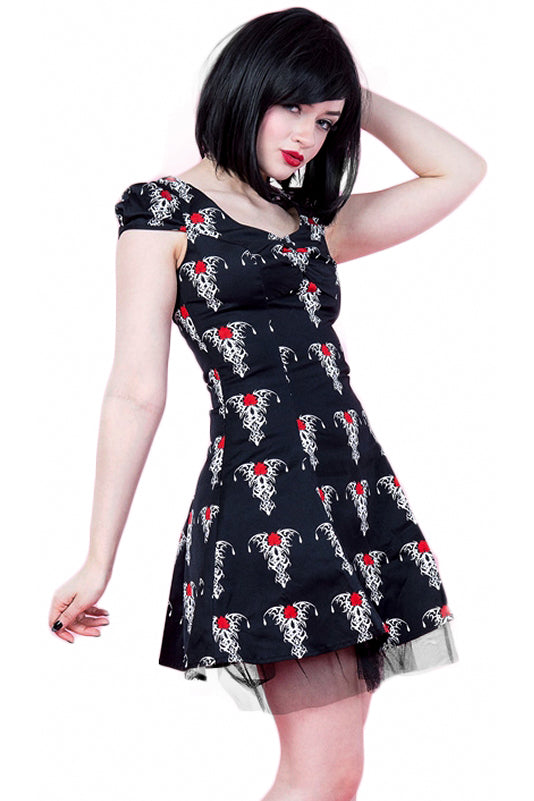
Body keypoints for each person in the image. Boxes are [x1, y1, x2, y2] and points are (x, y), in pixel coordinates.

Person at [48, 7, 486, 800]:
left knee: (337, 774)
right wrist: (98, 557)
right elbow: (135, 391)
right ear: (245, 88)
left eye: (326, 121)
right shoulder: (163, 212)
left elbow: (459, 171)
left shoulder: (310, 224)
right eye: (293, 107)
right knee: (321, 774)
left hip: (353, 492)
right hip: (267, 501)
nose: (309, 137)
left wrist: (352, 94)